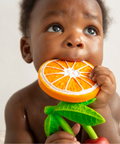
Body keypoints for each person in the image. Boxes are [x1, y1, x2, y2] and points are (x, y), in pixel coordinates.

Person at [4, 0, 120, 143]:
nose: (76, 39)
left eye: (90, 30)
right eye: (55, 28)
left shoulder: (110, 100)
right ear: (28, 49)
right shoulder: (20, 105)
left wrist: (100, 108)